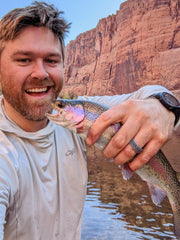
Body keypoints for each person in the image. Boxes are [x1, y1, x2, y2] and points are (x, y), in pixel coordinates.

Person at [0, 1, 178, 240]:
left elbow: (149, 95)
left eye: (51, 61)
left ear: (63, 66)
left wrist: (163, 107)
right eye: (24, 60)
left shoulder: (83, 110)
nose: (41, 73)